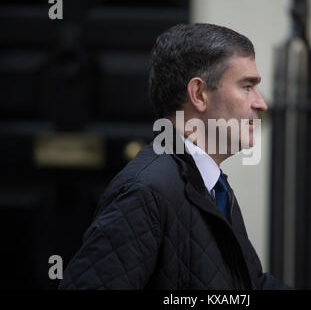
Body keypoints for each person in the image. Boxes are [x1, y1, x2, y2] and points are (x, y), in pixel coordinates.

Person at [59, 23, 289, 290]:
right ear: (199, 94)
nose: (261, 103)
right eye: (247, 86)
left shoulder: (213, 186)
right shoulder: (145, 191)